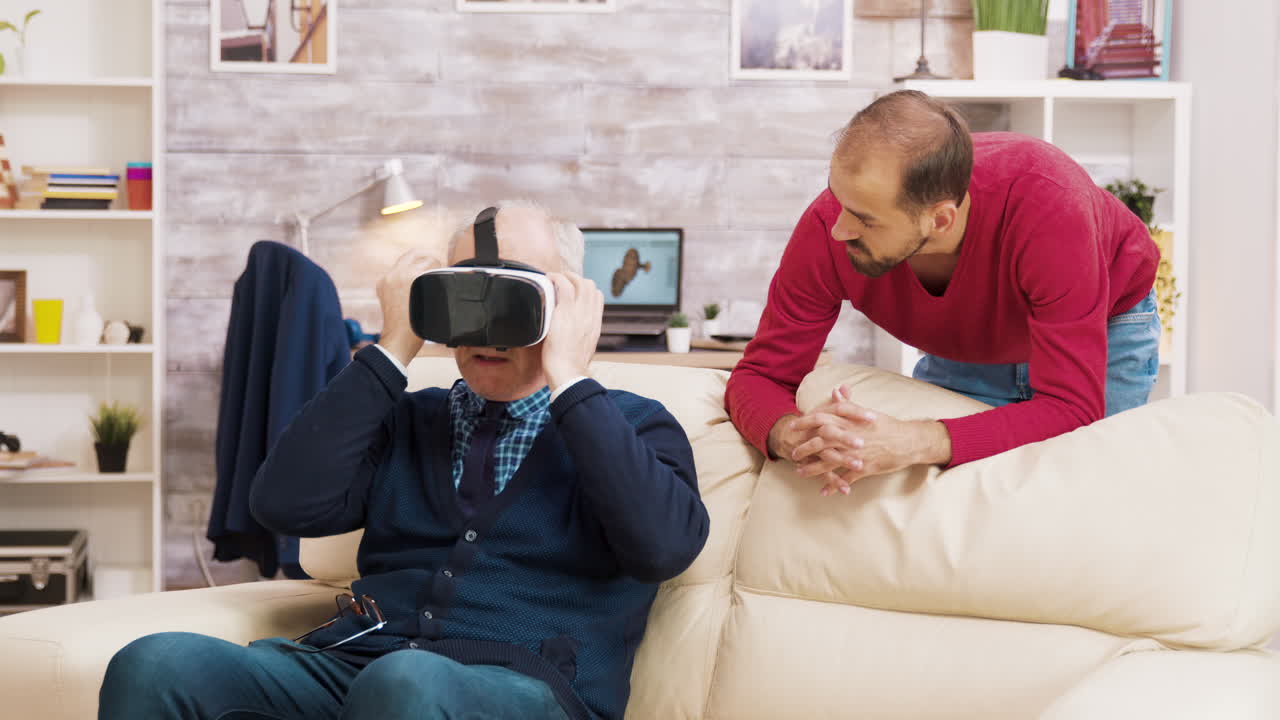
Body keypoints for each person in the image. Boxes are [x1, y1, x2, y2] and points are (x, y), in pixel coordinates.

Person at [99, 202, 710, 720]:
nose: (484, 323)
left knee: (405, 682)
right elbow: (282, 504)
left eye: (514, 292)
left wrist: (571, 378)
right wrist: (393, 347)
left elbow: (662, 548)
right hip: (359, 666)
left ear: (569, 302)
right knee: (155, 664)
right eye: (465, 292)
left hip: (524, 692)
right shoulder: (407, 416)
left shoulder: (630, 422)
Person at [726, 90, 1160, 496]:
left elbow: (1070, 407)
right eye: (838, 200)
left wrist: (912, 440)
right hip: (970, 337)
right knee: (948, 505)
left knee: (1088, 493)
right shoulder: (829, 226)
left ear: (940, 221)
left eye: (865, 219)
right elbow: (760, 375)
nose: (838, 229)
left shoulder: (1050, 207)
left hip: (1106, 323)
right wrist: (789, 434)